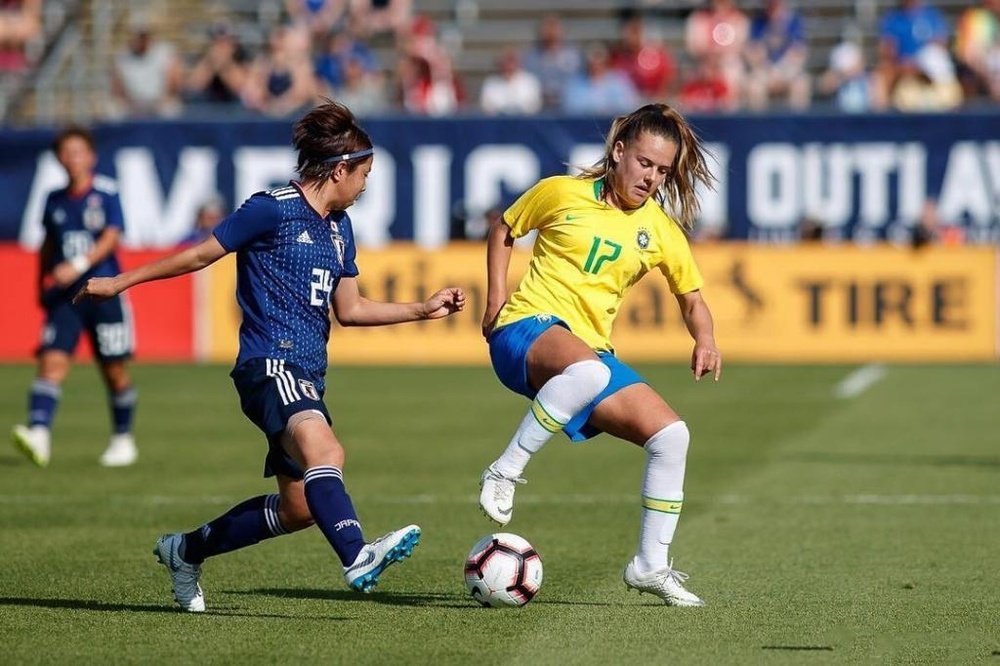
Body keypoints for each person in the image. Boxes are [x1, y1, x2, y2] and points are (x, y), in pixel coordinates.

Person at [74, 101, 466, 612]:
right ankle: (357, 555)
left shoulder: (339, 227)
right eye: (365, 173)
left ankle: (186, 551)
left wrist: (421, 307)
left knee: (300, 507)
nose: (367, 185)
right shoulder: (272, 207)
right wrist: (121, 282)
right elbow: (199, 254)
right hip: (270, 363)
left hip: (307, 372)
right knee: (328, 453)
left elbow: (349, 309)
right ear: (340, 169)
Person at [479, 103, 721, 607]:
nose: (651, 177)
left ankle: (650, 565)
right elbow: (503, 229)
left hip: (585, 356)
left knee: (672, 436)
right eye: (644, 163)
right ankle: (503, 471)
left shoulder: (659, 230)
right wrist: (495, 300)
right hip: (525, 330)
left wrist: (706, 339)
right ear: (618, 153)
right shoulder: (561, 192)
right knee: (587, 371)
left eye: (661, 170)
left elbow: (693, 300)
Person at [11, 126, 139, 468]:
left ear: (91, 156)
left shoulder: (106, 193)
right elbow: (48, 244)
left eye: (78, 151)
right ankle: (39, 433)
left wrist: (79, 264)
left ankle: (123, 438)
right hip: (65, 297)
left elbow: (112, 237)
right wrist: (42, 282)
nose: (72, 159)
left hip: (104, 295)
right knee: (52, 361)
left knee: (114, 370)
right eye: (65, 153)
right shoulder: (53, 199)